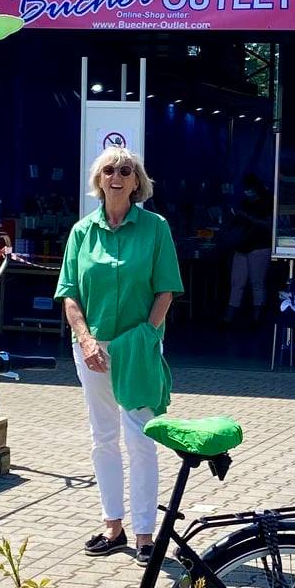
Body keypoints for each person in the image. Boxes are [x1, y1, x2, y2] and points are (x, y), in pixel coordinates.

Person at [57, 146, 183, 562]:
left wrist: (148, 335)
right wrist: (86, 340)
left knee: (141, 437)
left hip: (138, 347)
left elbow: (166, 287)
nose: (116, 175)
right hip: (92, 348)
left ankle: (146, 532)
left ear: (136, 181)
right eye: (109, 169)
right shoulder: (81, 232)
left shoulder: (155, 227)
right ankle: (113, 525)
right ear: (99, 179)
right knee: (103, 437)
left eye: (125, 170)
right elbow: (70, 294)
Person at [224, 174, 273, 325]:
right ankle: (229, 317)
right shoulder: (244, 203)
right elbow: (235, 222)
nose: (248, 192)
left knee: (257, 283)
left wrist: (246, 217)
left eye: (250, 189)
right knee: (236, 283)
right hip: (242, 246)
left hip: (258, 247)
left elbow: (268, 225)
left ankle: (256, 317)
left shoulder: (266, 202)